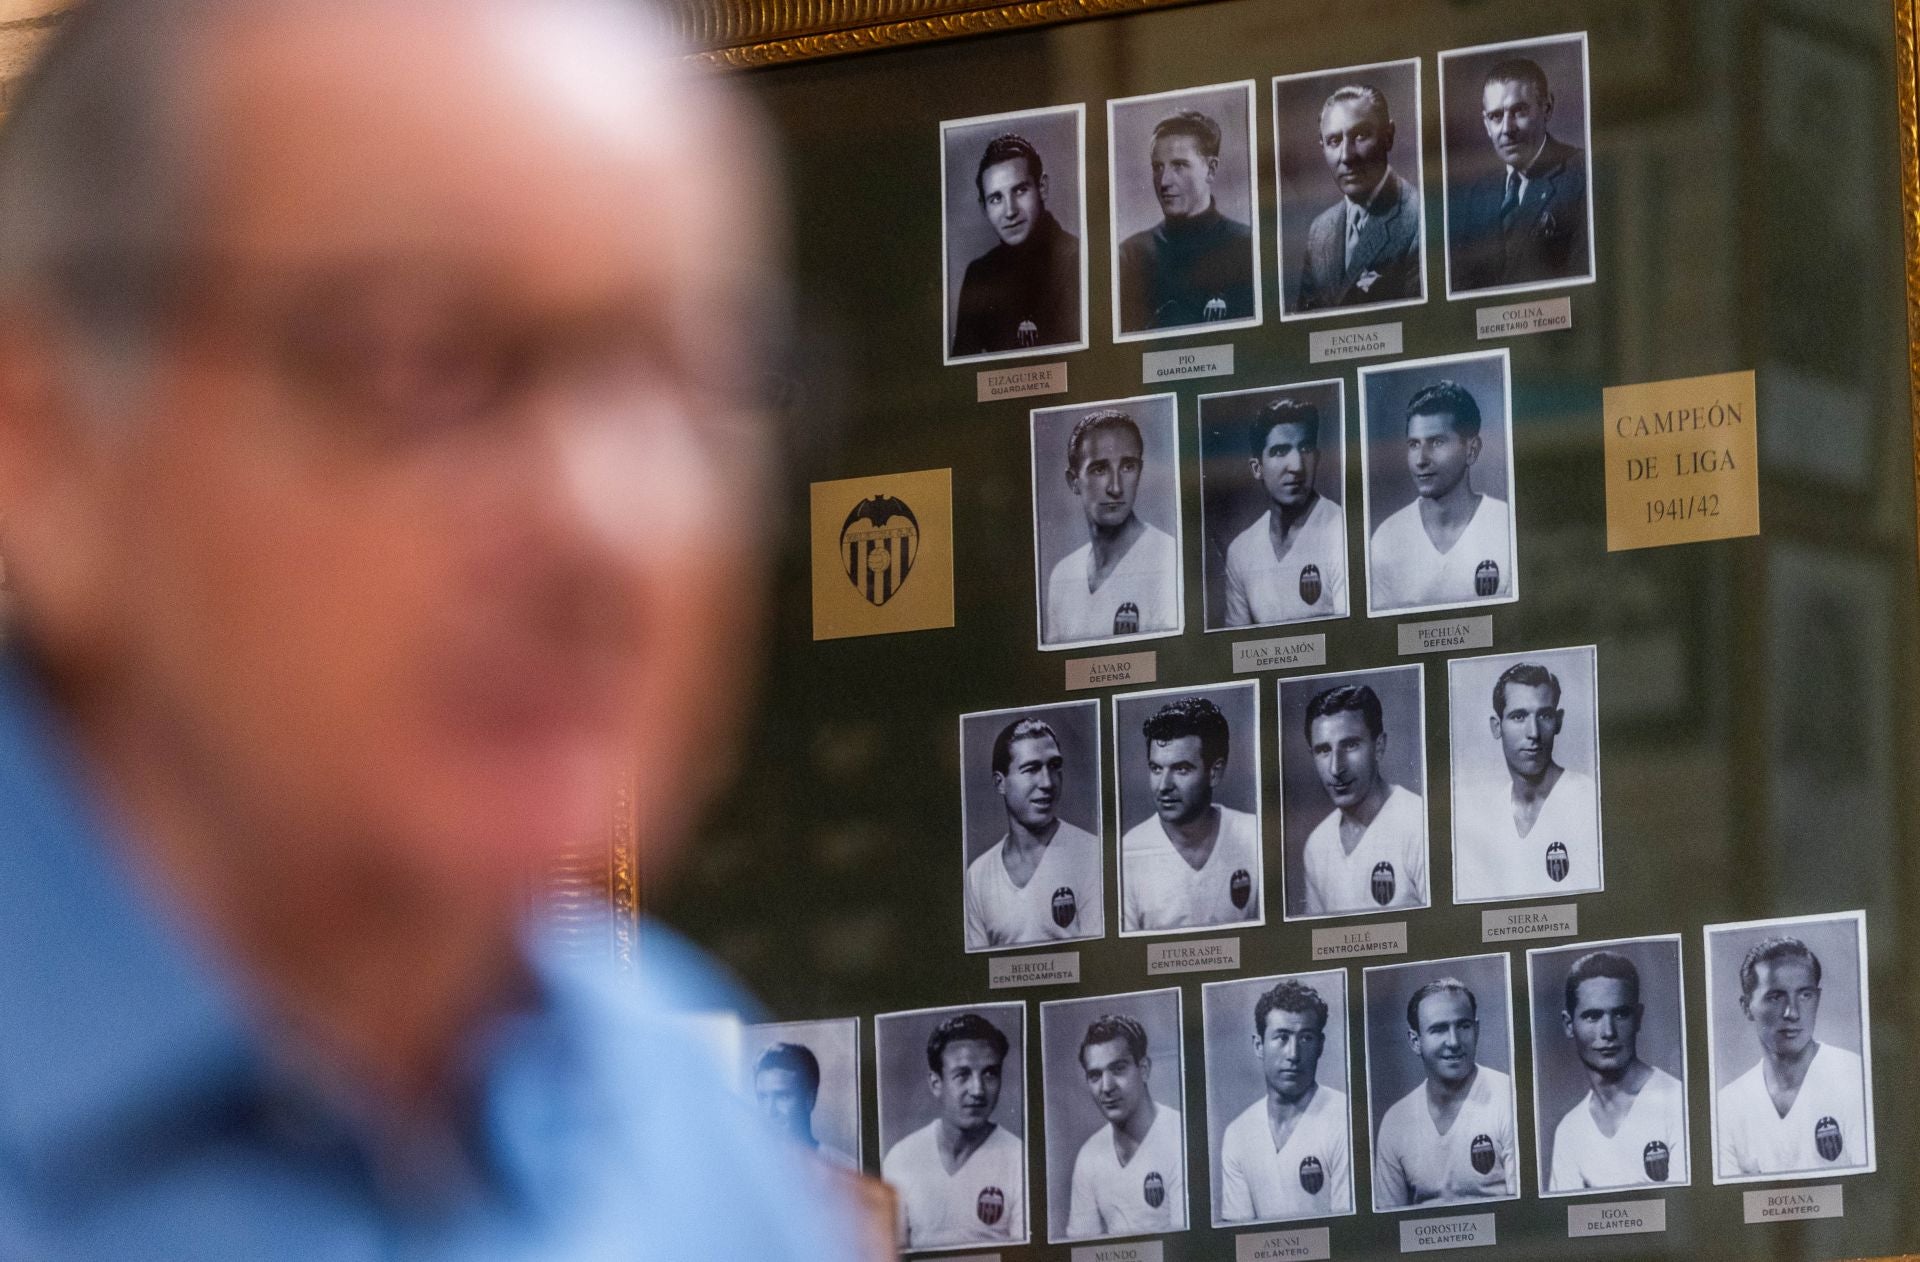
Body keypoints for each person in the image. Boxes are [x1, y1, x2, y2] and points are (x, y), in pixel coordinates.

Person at [0, 1, 860, 1258]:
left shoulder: (681, 1143)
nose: (597, 519)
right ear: (49, 454)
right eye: (419, 359)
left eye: (689, 375)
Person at [1716, 938, 1869, 1178]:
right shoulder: (1727, 1106)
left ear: (1817, 998)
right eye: (1775, 997)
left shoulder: (1856, 1078)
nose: (1792, 1013)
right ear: (1747, 1007)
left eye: (1805, 995)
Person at [1455, 661, 1600, 901]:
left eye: (1544, 715)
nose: (1533, 732)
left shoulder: (1589, 802)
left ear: (1558, 721)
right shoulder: (1486, 817)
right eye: (1519, 716)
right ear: (1496, 726)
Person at [1367, 378, 1514, 613]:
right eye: (1414, 444)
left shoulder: (1507, 526)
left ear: (1472, 450)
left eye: (1437, 442)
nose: (1421, 459)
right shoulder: (1387, 539)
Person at [882, 1013, 1027, 1249]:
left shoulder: (1021, 1159)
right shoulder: (901, 1158)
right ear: (936, 1083)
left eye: (990, 1073)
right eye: (962, 1075)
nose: (978, 1090)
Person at [1545, 952, 1687, 1192]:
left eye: (1620, 1014)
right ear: (1569, 1025)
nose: (1608, 1031)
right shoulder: (1570, 1131)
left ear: (1638, 1018)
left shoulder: (1677, 1103)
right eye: (1592, 1016)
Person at [964, 715, 1106, 949]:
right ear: (1000, 782)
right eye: (1031, 769)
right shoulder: (978, 875)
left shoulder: (1092, 855)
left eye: (1054, 766)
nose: (1048, 783)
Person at [1374, 978, 1518, 1209]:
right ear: (1415, 1041)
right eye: (1439, 1029)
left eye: (1463, 1026)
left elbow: (1525, 1214)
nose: (1453, 1041)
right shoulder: (1396, 1121)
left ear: (1477, 1029)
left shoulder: (1510, 1098)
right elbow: (1390, 1227)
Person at [1121, 696, 1261, 931]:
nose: (1164, 785)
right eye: (1156, 768)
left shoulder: (1254, 835)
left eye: (1181, 769)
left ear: (1214, 773)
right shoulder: (1128, 853)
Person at [1450, 56, 1589, 293]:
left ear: (1547, 108)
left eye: (1519, 111)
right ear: (1486, 123)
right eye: (1495, 116)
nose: (1507, 129)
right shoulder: (1476, 194)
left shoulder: (1581, 176)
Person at [1219, 979, 1353, 1224]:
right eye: (1282, 1038)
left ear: (1320, 1045)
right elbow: (1238, 1236)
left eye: (1305, 1038)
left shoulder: (1345, 1118)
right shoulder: (1238, 1134)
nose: (1293, 1054)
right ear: (1259, 1045)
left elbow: (1349, 1231)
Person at [1043, 408, 1179, 646]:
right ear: (1074, 481)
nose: (1116, 487)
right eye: (1099, 469)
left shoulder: (1169, 559)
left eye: (1128, 467)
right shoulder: (1062, 575)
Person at [1117, 110, 1256, 332]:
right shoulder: (1130, 256)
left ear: (1211, 170)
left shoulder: (1247, 247)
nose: (1164, 181)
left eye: (1179, 166)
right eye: (1157, 167)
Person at [1299, 684, 1427, 916]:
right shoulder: (1317, 845)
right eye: (1323, 750)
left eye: (1350, 745)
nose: (1336, 768)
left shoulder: (1419, 826)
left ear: (1379, 747)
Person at [950, 132, 1081, 357]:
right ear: (984, 208)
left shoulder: (1080, 259)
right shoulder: (979, 274)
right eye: (996, 199)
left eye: (1020, 190)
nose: (1010, 211)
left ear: (1042, 188)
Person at [1222, 397, 1348, 627]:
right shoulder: (1240, 551)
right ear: (1257, 468)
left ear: (1317, 458)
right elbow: (1237, 648)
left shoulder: (1342, 531)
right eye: (1280, 452)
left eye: (1305, 449)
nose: (1297, 466)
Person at [1296, 85, 1422, 312]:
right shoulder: (1320, 230)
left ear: (1388, 136)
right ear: (1322, 145)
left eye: (1361, 136)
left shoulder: (1420, 218)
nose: (1346, 156)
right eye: (1334, 140)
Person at [1063, 1014, 1187, 1240]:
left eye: (1118, 1069)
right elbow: (1081, 1247)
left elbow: (1188, 1247)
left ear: (1144, 1069)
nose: (1106, 1087)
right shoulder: (1089, 1155)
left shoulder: (1181, 1138)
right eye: (1095, 1075)